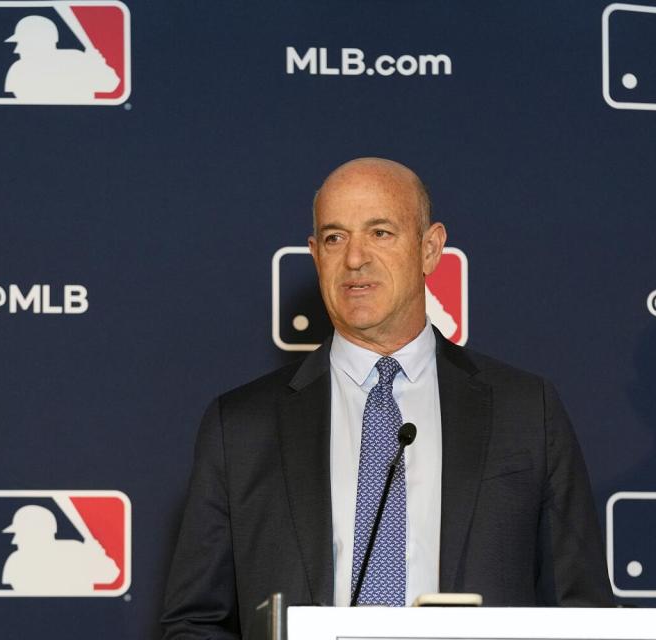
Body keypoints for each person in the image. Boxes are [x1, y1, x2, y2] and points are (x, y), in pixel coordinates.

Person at [161, 158, 612, 639]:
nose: (355, 258)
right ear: (315, 256)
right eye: (335, 238)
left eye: (380, 233)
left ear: (430, 248)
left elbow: (580, 612)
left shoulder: (526, 411)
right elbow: (195, 623)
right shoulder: (241, 426)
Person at [1, 504, 119, 594]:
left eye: (22, 533)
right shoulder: (17, 560)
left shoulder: (75, 550)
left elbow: (111, 575)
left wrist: (97, 557)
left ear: (40, 532)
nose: (15, 540)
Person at [4, 15, 119, 102]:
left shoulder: (77, 59)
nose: (17, 50)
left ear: (42, 42)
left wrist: (97, 66)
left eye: (24, 43)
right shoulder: (19, 69)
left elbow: (111, 85)